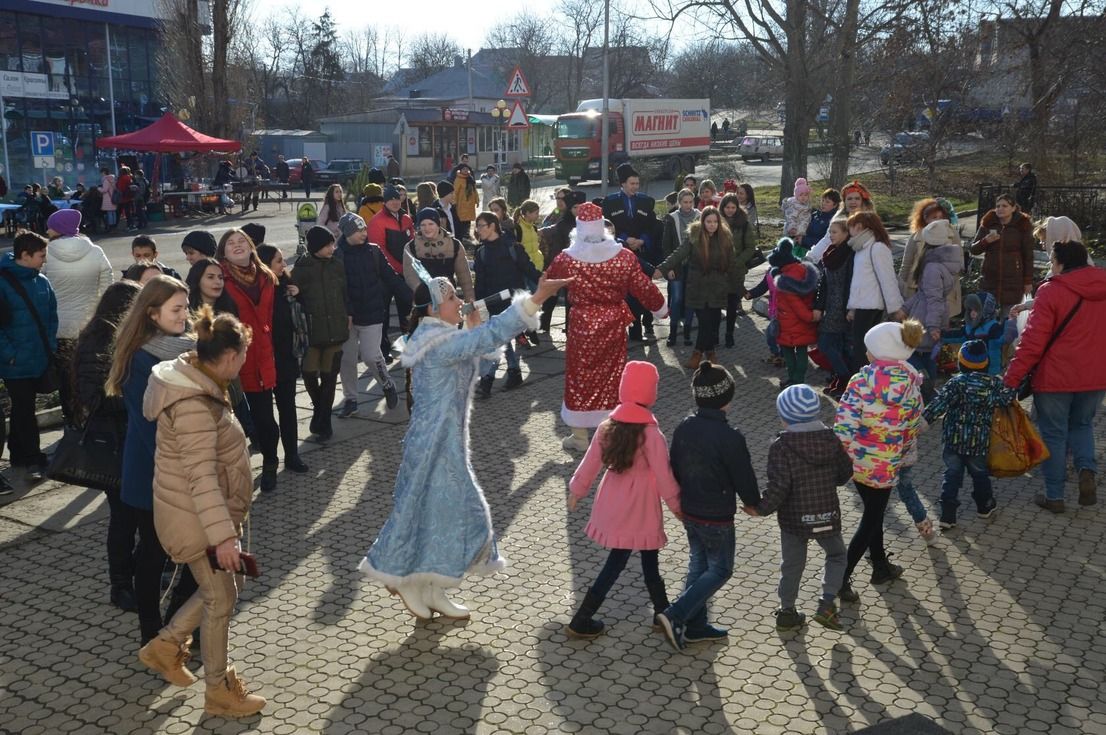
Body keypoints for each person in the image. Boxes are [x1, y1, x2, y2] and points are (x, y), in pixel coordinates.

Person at [358, 270, 571, 619]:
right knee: (448, 512)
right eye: (453, 298)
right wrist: (536, 299)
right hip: (434, 446)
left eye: (458, 296)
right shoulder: (437, 342)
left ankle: (433, 586)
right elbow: (490, 336)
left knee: (440, 515)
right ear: (434, 308)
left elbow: (478, 349)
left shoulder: (439, 335)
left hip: (444, 442)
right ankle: (404, 578)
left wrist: (472, 329)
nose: (460, 302)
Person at [137, 304, 266, 718]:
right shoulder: (193, 401)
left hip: (204, 515)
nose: (244, 362)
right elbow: (201, 477)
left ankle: (167, 645)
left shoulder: (201, 380)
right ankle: (219, 690)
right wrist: (223, 537)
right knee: (221, 598)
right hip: (195, 518)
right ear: (230, 356)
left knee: (227, 589)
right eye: (244, 355)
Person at [105, 276, 198, 645]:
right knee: (154, 555)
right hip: (153, 476)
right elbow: (153, 430)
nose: (184, 315)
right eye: (176, 309)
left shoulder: (187, 349)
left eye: (185, 307)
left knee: (195, 555)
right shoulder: (139, 359)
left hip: (185, 471)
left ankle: (177, 625)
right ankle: (151, 633)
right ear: (152, 313)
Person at [566, 361, 682, 639]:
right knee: (647, 562)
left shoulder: (608, 427)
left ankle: (658, 612)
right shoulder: (652, 434)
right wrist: (679, 508)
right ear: (650, 393)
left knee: (618, 560)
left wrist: (576, 491)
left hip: (614, 504)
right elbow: (665, 477)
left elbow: (589, 463)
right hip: (642, 508)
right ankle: (659, 614)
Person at [545, 202, 667, 451]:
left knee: (579, 377)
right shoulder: (622, 257)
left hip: (581, 325)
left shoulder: (567, 259)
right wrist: (661, 308)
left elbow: (547, 281)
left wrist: (530, 307)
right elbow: (643, 286)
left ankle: (579, 436)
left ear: (579, 229)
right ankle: (610, 434)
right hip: (612, 324)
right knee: (611, 377)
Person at [655, 362, 760, 650]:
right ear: (728, 397)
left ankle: (696, 625)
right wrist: (753, 503)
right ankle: (675, 614)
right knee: (721, 569)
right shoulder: (731, 437)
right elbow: (744, 476)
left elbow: (674, 465)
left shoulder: (684, 426)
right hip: (717, 515)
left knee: (699, 564)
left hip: (690, 509)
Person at [1003, 239, 1106, 512]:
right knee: (1083, 425)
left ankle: (1054, 496)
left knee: (1054, 434)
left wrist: (1011, 380)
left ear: (1061, 262)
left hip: (1055, 377)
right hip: (1096, 375)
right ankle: (1086, 470)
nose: (1050, 265)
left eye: (1051, 260)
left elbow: (1032, 343)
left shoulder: (1051, 291)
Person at [746, 383, 853, 632]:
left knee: (792, 564)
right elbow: (844, 473)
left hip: (794, 520)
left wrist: (761, 508)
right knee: (837, 555)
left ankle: (787, 610)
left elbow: (779, 487)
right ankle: (827, 603)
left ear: (785, 417)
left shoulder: (781, 447)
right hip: (827, 514)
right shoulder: (832, 439)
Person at [834, 320, 924, 603]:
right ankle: (876, 567)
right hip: (887, 464)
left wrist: (838, 456)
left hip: (857, 461)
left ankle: (846, 574)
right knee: (873, 516)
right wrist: (902, 450)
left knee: (873, 516)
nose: (866, 354)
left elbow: (845, 423)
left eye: (868, 350)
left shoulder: (860, 381)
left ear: (878, 353)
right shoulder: (911, 383)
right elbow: (913, 424)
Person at [72, 280, 143, 609]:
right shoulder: (98, 341)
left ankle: (142, 572)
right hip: (114, 445)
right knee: (124, 518)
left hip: (135, 441)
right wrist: (137, 397)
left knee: (144, 516)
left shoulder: (131, 337)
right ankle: (121, 585)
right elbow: (94, 398)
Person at [217, 229, 281, 492]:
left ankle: (270, 464)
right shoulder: (220, 276)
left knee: (266, 417)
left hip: (263, 356)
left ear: (251, 246)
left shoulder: (266, 275)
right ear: (224, 251)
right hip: (232, 360)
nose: (237, 245)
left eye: (242, 241)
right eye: (231, 243)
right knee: (234, 423)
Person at [923, 340, 1009, 529]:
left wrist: (923, 420)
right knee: (980, 474)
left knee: (952, 475)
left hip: (953, 440)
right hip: (979, 441)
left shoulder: (955, 383)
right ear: (985, 363)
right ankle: (984, 507)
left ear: (961, 362)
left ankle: (947, 515)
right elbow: (1005, 400)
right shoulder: (993, 383)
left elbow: (939, 404)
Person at [41, 209, 114, 424]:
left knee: (66, 378)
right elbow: (107, 285)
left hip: (60, 329)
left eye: (50, 226)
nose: (47, 230)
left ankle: (71, 421)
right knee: (90, 375)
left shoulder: (45, 254)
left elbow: (42, 290)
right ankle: (93, 421)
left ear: (60, 228)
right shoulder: (96, 251)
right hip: (88, 328)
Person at [333, 216, 408, 417]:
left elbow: (391, 277)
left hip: (372, 312)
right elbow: (337, 289)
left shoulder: (373, 251)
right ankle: (351, 399)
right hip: (347, 318)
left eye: (365, 229)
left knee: (370, 355)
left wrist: (409, 297)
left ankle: (387, 383)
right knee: (347, 359)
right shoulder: (337, 256)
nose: (364, 234)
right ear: (347, 233)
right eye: (359, 231)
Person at [0, 231, 58, 486]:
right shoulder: (2, 282)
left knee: (25, 408)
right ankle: (33, 459)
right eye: (41, 255)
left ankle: (18, 456)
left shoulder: (42, 281)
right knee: (24, 410)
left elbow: (51, 315)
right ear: (25, 255)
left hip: (38, 356)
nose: (44, 260)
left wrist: (50, 347)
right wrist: (10, 355)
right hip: (15, 362)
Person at [658, 206, 740, 369]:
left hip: (717, 287)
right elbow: (678, 254)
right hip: (697, 287)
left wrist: (739, 288)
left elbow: (732, 264)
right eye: (708, 221)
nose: (712, 225)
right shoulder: (694, 237)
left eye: (715, 222)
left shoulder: (725, 238)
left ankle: (708, 352)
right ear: (702, 222)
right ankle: (700, 354)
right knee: (704, 322)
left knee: (713, 321)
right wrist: (662, 268)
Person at [473, 211, 541, 396]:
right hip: (492, 302)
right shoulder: (481, 252)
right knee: (502, 338)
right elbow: (479, 281)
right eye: (477, 226)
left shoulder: (512, 247)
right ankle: (513, 371)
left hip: (513, 301)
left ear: (493, 226)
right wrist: (479, 305)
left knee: (498, 338)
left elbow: (528, 268)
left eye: (481, 226)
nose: (478, 230)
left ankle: (488, 380)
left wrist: (544, 283)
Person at [291, 226, 350, 439]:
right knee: (308, 373)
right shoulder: (302, 267)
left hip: (336, 329)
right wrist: (296, 293)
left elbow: (346, 293)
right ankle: (320, 410)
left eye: (332, 244)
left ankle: (324, 422)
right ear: (316, 247)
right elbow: (292, 297)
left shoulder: (337, 265)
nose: (332, 248)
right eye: (327, 245)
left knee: (329, 377)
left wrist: (348, 314)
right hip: (312, 332)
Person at [256, 244, 309, 472]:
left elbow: (300, 320)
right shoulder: (257, 290)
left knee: (288, 409)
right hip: (262, 360)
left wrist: (299, 296)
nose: (284, 264)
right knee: (265, 417)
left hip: (286, 358)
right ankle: (270, 461)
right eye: (279, 261)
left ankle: (292, 455)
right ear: (265, 264)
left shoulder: (288, 287)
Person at [902, 219, 964, 388]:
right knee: (926, 353)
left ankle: (925, 387)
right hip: (930, 314)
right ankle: (927, 387)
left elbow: (932, 298)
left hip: (926, 316)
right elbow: (927, 294)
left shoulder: (931, 268)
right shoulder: (941, 263)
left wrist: (933, 326)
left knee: (914, 352)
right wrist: (905, 308)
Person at [603, 164, 661, 343]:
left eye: (637, 183)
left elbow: (652, 225)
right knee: (625, 294)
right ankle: (627, 329)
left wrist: (642, 240)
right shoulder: (610, 202)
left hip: (642, 252)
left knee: (643, 290)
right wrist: (624, 239)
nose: (635, 186)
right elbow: (607, 226)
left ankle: (647, 324)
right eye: (632, 183)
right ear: (623, 184)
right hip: (620, 253)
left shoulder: (645, 201)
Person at [845, 211, 904, 372]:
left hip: (871, 306)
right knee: (860, 348)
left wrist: (895, 308)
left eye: (850, 227)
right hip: (863, 305)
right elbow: (860, 283)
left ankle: (865, 384)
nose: (849, 231)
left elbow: (888, 279)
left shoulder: (877, 248)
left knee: (863, 349)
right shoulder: (862, 248)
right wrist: (853, 307)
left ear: (859, 226)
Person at [969, 193, 1035, 314]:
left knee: (1010, 318)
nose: (1000, 209)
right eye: (998, 206)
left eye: (1004, 206)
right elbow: (973, 249)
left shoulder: (1022, 225)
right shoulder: (988, 223)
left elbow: (1028, 256)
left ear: (1013, 208)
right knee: (987, 317)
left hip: (1013, 279)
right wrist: (985, 241)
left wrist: (1028, 281)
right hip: (990, 279)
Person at [769, 238, 820, 389]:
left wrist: (809, 316)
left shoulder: (786, 281)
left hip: (789, 323)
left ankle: (795, 379)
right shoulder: (804, 271)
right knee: (802, 350)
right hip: (803, 324)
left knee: (789, 352)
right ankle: (797, 379)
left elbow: (796, 305)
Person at [812, 220, 855, 399]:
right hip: (830, 305)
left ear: (846, 234)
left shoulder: (850, 255)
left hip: (842, 306)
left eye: (835, 232)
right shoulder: (831, 252)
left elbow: (852, 283)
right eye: (830, 232)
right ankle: (841, 378)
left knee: (825, 343)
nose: (831, 235)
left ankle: (846, 379)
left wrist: (850, 307)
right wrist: (818, 306)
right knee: (834, 345)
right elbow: (823, 283)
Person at [538, 190, 585, 333]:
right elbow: (557, 246)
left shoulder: (589, 222)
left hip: (583, 267)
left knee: (574, 299)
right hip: (565, 265)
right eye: (575, 207)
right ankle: (543, 325)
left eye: (580, 206)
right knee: (552, 296)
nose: (578, 210)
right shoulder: (563, 223)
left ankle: (571, 327)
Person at [403, 208, 474, 302]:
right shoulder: (411, 247)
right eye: (423, 225)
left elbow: (464, 275)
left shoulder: (455, 245)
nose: (427, 228)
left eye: (431, 224)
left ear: (438, 224)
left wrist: (470, 300)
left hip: (448, 297)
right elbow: (410, 275)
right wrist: (423, 294)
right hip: (423, 300)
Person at [898, 197, 959, 301]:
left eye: (941, 217)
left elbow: (957, 266)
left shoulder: (952, 236)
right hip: (916, 291)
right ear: (925, 219)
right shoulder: (915, 237)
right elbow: (906, 266)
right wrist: (898, 290)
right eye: (934, 217)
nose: (938, 221)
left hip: (942, 293)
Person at [660, 189, 700, 347]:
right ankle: (673, 333)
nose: (688, 205)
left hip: (694, 267)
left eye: (691, 202)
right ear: (679, 202)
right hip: (676, 267)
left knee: (690, 299)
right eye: (685, 202)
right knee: (676, 299)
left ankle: (688, 333)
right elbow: (666, 245)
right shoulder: (672, 218)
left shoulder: (700, 216)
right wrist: (668, 267)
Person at [719, 192, 757, 346]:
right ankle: (715, 334)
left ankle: (729, 334)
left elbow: (750, 247)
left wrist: (738, 261)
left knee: (732, 304)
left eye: (733, 207)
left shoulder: (744, 224)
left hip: (736, 270)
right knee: (716, 304)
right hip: (719, 270)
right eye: (727, 207)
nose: (730, 210)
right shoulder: (716, 221)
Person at [807, 180, 876, 263]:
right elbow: (827, 240)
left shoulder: (870, 221)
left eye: (857, 198)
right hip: (840, 264)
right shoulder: (838, 219)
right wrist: (811, 257)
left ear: (863, 201)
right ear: (844, 201)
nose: (853, 202)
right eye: (849, 198)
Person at [802, 189, 840, 254]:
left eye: (827, 202)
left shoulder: (833, 221)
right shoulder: (814, 214)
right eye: (822, 200)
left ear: (835, 205)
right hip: (801, 248)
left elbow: (826, 242)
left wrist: (804, 240)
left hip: (816, 254)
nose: (823, 203)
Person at [781, 178, 813, 253]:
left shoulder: (806, 205)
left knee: (797, 252)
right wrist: (792, 228)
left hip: (800, 233)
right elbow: (790, 217)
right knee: (789, 250)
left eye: (806, 195)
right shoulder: (794, 205)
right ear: (796, 195)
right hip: (793, 232)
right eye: (801, 195)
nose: (803, 197)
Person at [451, 165, 479, 241]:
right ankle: (462, 235)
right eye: (464, 169)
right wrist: (454, 202)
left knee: (468, 220)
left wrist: (477, 200)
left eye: (467, 169)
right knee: (462, 220)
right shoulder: (458, 179)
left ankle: (467, 235)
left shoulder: (470, 178)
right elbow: (455, 192)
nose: (466, 170)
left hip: (470, 204)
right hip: (461, 204)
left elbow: (474, 190)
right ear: (460, 170)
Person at [100, 167, 118, 231]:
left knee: (109, 213)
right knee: (113, 212)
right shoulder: (113, 179)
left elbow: (104, 190)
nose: (101, 174)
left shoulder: (106, 180)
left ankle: (110, 226)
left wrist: (98, 189)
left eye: (101, 173)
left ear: (104, 172)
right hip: (113, 197)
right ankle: (114, 225)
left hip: (108, 198)